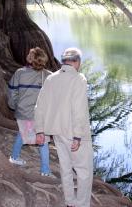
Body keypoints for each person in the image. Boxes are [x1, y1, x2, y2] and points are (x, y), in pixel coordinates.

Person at [35, 47, 93, 207]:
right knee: (83, 171)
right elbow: (79, 109)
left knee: (66, 168)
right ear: (77, 62)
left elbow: (40, 106)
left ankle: (69, 202)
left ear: (63, 62)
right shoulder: (78, 79)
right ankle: (81, 204)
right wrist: (78, 136)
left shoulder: (51, 78)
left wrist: (39, 130)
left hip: (57, 133)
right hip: (74, 134)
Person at [7, 47, 53, 177]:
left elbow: (12, 92)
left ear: (31, 59)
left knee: (23, 133)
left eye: (29, 54)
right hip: (40, 115)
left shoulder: (19, 73)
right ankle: (45, 170)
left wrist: (16, 105)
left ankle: (14, 157)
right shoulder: (49, 76)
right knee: (43, 141)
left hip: (23, 113)